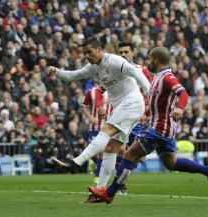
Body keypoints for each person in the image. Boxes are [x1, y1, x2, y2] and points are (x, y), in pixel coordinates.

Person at [88, 47, 208, 204]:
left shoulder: (167, 77)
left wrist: (179, 108)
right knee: (170, 163)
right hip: (164, 127)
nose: (149, 62)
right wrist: (147, 114)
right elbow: (159, 104)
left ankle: (109, 193)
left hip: (160, 129)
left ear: (156, 60)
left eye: (150, 59)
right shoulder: (158, 77)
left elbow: (183, 93)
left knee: (129, 155)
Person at [48, 37, 150, 176]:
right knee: (111, 149)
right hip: (122, 106)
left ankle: (76, 163)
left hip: (132, 103)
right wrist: (57, 72)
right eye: (85, 53)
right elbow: (73, 75)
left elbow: (136, 73)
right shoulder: (93, 67)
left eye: (90, 52)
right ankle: (102, 189)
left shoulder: (114, 60)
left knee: (106, 130)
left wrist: (150, 94)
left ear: (99, 50)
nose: (87, 56)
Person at [83, 42, 152, 202]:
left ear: (133, 53)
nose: (123, 55)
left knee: (130, 155)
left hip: (138, 114)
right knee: (119, 150)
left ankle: (113, 186)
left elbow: (150, 91)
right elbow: (99, 90)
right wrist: (99, 106)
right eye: (120, 52)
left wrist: (147, 113)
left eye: (126, 52)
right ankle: (113, 187)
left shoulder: (142, 70)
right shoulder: (114, 67)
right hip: (123, 114)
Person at [80, 80, 111, 184]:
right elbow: (83, 106)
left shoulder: (113, 91)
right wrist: (90, 117)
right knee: (95, 151)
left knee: (102, 151)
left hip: (107, 127)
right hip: (94, 127)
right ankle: (93, 161)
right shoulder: (91, 91)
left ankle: (97, 176)